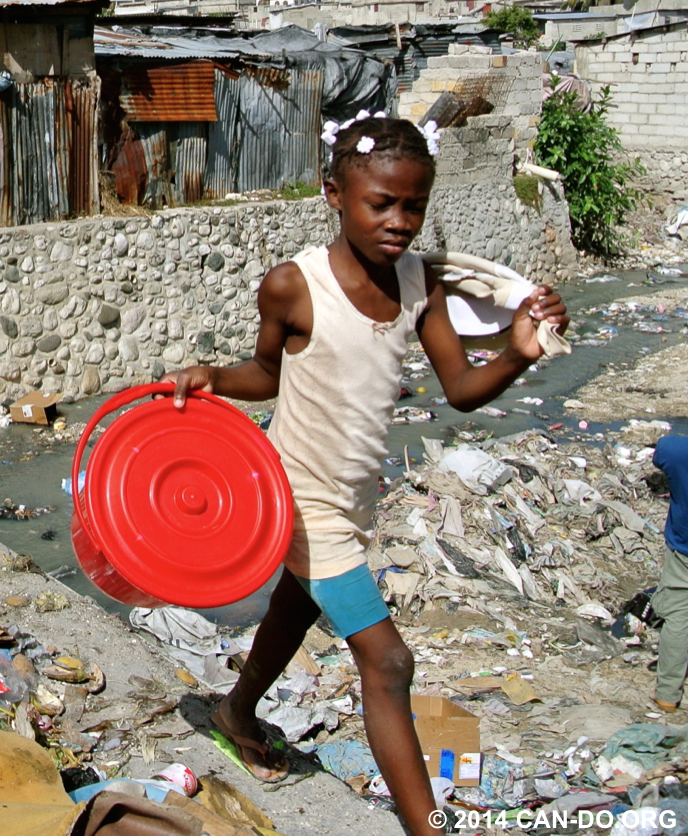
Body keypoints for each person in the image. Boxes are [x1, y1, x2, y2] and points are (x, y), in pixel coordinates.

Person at [162, 113, 568, 836]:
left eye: (413, 205)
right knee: (388, 664)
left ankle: (235, 709)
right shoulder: (294, 284)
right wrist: (209, 377)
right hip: (295, 497)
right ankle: (426, 827)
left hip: (351, 502)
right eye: (380, 203)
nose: (399, 221)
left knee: (294, 606)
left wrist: (517, 351)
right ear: (333, 195)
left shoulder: (416, 281)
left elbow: (460, 389)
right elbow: (265, 373)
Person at [653, 436, 688, 712]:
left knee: (678, 617)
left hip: (684, 550)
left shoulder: (680, 452)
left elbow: (662, 450)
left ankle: (667, 696)